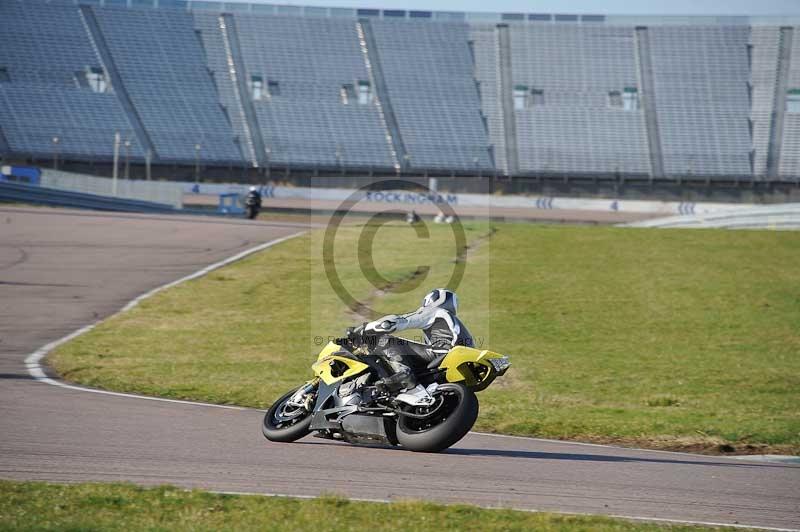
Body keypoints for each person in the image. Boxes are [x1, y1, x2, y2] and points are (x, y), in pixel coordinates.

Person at [356, 289, 474, 403]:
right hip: (454, 365)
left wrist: (367, 329)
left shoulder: (436, 311)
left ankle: (403, 375)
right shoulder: (452, 323)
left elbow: (402, 320)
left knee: (386, 340)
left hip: (444, 354)